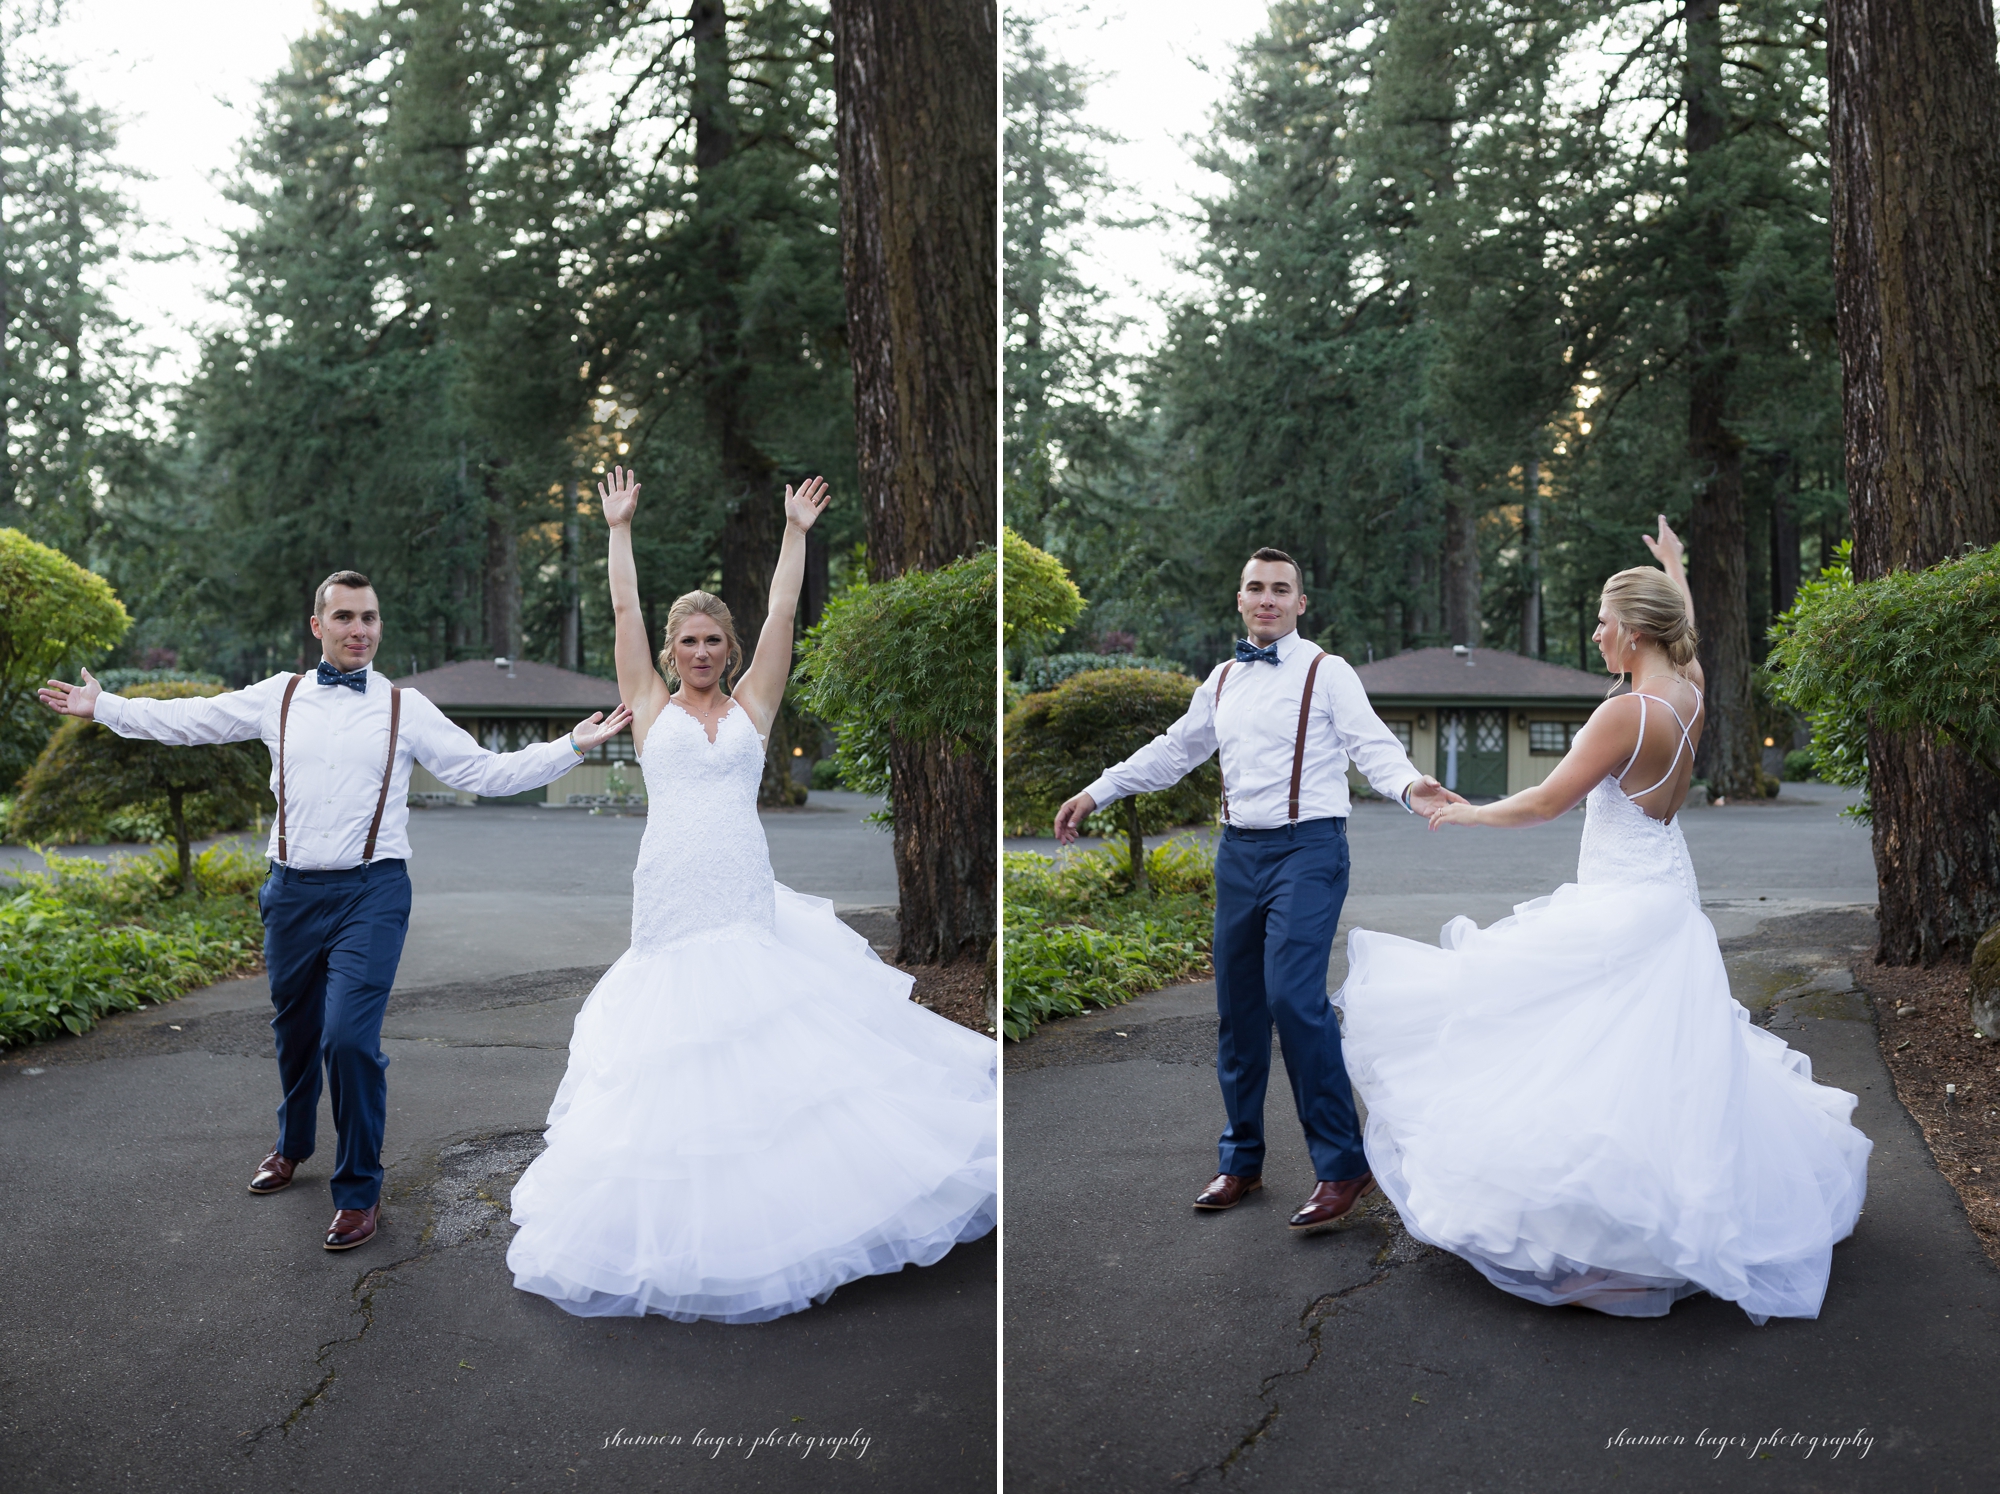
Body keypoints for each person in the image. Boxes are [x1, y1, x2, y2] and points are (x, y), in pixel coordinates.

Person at [1337, 517, 1871, 1323]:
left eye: (1601, 621)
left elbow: (1549, 801)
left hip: (1620, 905)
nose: (1594, 634)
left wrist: (1469, 813)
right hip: (1667, 898)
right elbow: (1683, 631)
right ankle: (1648, 1227)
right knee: (1654, 1069)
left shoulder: (1625, 715)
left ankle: (1606, 1245)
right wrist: (1676, 566)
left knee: (1581, 1060)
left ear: (1630, 631)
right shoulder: (1687, 691)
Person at [504, 467, 996, 1323]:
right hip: (668, 899)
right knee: (674, 1054)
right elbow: (623, 611)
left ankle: (789, 1221)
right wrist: (617, 528)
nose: (701, 653)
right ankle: (688, 1232)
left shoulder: (754, 709)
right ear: (669, 652)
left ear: (727, 651)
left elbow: (780, 617)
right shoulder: (648, 707)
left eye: (712, 642)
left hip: (741, 898)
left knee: (768, 1048)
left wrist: (795, 533)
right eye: (688, 641)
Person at [38, 573, 632, 1252]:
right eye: (345, 617)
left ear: (381, 627)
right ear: (317, 626)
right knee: (294, 1032)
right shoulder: (280, 697)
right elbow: (191, 720)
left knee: (348, 1039)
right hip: (290, 891)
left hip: (371, 893)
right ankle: (292, 1144)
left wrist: (571, 747)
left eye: (370, 617)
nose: (360, 629)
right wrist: (106, 706)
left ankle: (357, 1191)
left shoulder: (405, 708)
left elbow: (483, 773)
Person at [1053, 549, 1464, 1231]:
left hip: (1309, 850)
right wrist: (1099, 789)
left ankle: (1342, 1165)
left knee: (1291, 999)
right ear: (1239, 600)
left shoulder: (1328, 673)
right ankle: (1240, 1160)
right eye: (1255, 588)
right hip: (1238, 852)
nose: (1267, 598)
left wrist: (1410, 786)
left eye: (1281, 589)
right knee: (1238, 1011)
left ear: (1301, 604)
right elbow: (1173, 750)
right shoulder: (1220, 680)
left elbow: (1374, 746)